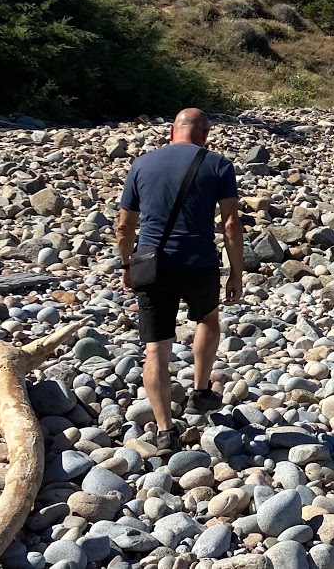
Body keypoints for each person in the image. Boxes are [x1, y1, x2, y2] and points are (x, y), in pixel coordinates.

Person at [116, 108, 244, 454]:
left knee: (156, 347)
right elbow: (230, 224)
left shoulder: (142, 164)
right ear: (205, 132)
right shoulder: (218, 164)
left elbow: (125, 225)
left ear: (172, 131)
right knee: (207, 320)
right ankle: (200, 392)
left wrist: (127, 264)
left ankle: (163, 430)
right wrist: (236, 271)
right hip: (198, 261)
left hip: (153, 264)